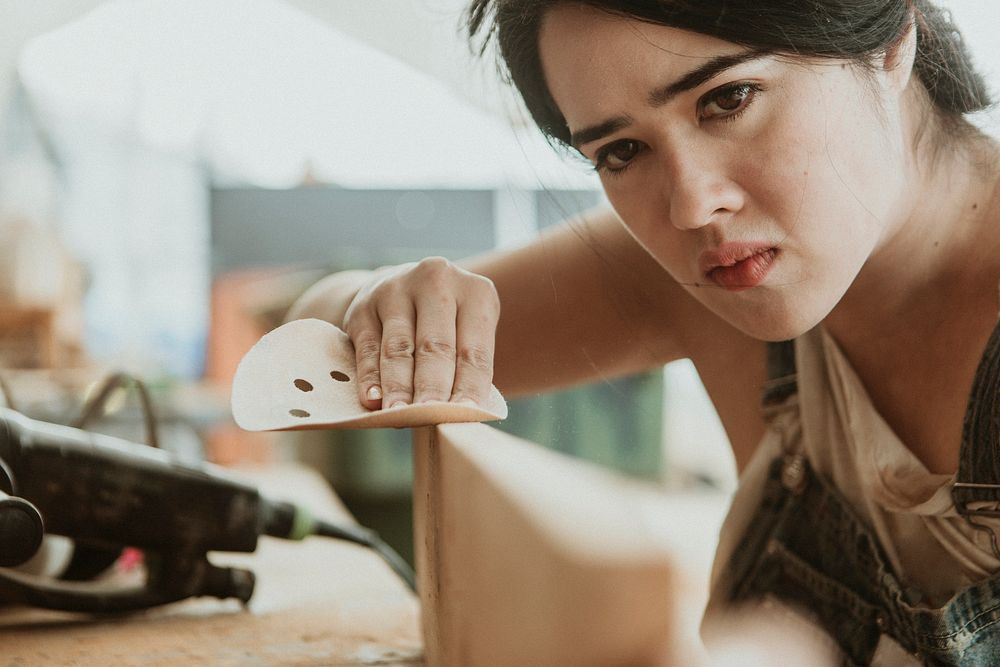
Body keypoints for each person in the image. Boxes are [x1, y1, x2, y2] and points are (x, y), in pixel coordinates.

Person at [288, 1, 1000, 662]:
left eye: (729, 98)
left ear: (891, 41)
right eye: (622, 152)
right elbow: (309, 338)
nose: (692, 205)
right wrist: (389, 302)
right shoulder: (717, 266)